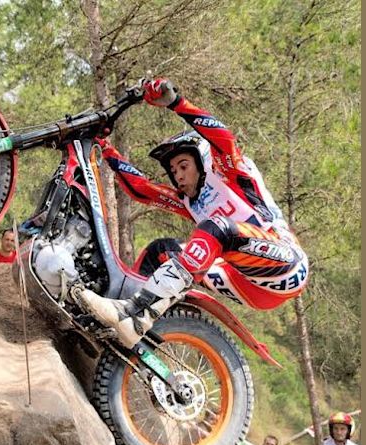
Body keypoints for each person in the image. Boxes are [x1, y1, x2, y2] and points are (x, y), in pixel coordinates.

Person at [77, 78, 310, 349]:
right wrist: (103, 146)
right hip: (248, 286)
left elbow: (223, 139)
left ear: (202, 161)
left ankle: (136, 315)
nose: (178, 176)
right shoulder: (187, 201)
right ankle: (122, 321)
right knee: (159, 251)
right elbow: (141, 189)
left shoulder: (230, 172)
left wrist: (177, 103)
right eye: (173, 171)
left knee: (217, 227)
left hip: (287, 265)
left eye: (183, 166)